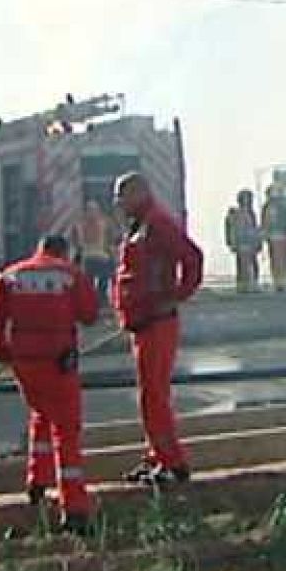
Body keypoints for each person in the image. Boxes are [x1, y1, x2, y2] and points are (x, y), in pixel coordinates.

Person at [0, 234, 100, 531]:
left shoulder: (11, 275)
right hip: (57, 361)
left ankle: (38, 482)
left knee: (41, 415)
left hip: (25, 362)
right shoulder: (70, 275)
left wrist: (5, 354)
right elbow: (89, 315)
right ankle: (74, 508)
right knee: (66, 429)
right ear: (65, 252)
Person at [112, 172, 203, 487]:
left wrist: (177, 295)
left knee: (154, 395)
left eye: (122, 196)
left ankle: (172, 462)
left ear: (138, 193)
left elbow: (192, 258)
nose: (118, 204)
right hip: (144, 322)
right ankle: (157, 456)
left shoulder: (158, 223)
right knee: (150, 395)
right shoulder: (141, 226)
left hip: (157, 322)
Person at [70, 199, 116, 303]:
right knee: (96, 281)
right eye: (91, 210)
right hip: (95, 258)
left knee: (93, 282)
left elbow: (74, 242)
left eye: (94, 209)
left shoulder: (79, 224)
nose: (92, 212)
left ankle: (95, 300)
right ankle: (98, 300)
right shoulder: (105, 223)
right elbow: (111, 241)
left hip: (92, 258)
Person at [261, 183, 286, 292]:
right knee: (279, 259)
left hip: (282, 235)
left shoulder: (284, 205)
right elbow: (266, 222)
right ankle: (281, 281)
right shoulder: (269, 206)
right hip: (276, 235)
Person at [224, 189, 262, 293]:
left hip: (251, 242)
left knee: (252, 263)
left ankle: (253, 282)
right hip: (241, 242)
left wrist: (258, 241)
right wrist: (231, 242)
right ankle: (242, 284)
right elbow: (230, 229)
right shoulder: (234, 214)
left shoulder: (251, 213)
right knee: (242, 263)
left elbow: (254, 228)